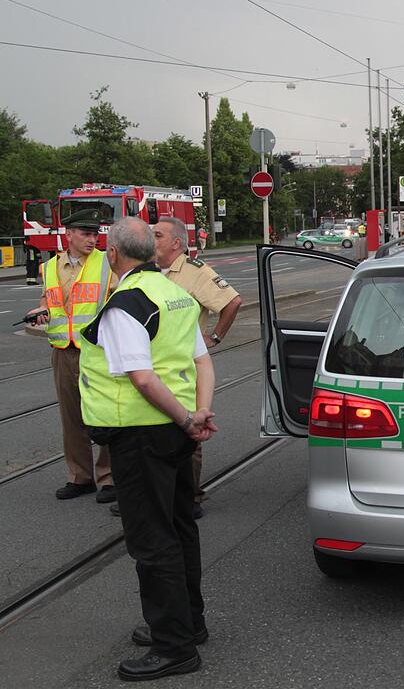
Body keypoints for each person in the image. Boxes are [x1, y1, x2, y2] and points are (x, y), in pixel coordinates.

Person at [79, 217, 217, 681]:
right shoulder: (173, 294)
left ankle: (173, 646)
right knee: (179, 528)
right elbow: (201, 359)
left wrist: (186, 419)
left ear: (113, 255)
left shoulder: (126, 303)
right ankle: (188, 623)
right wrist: (198, 415)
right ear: (152, 253)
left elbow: (141, 377)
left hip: (140, 435)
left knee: (151, 540)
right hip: (175, 432)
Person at [107, 216, 238, 520]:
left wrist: (214, 336)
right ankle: (150, 491)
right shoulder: (141, 274)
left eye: (159, 235)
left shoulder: (194, 272)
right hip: (145, 365)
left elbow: (232, 301)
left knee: (187, 437)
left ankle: (188, 494)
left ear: (177, 243)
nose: (153, 240)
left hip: (182, 368)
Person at [30, 209, 118, 502]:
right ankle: (80, 477)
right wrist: (40, 311)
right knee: (71, 417)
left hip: (99, 351)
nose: (93, 239)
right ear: (69, 235)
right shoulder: (50, 267)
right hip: (63, 351)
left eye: (95, 234)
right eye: (86, 234)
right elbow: (49, 300)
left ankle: (109, 477)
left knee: (106, 413)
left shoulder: (108, 263)